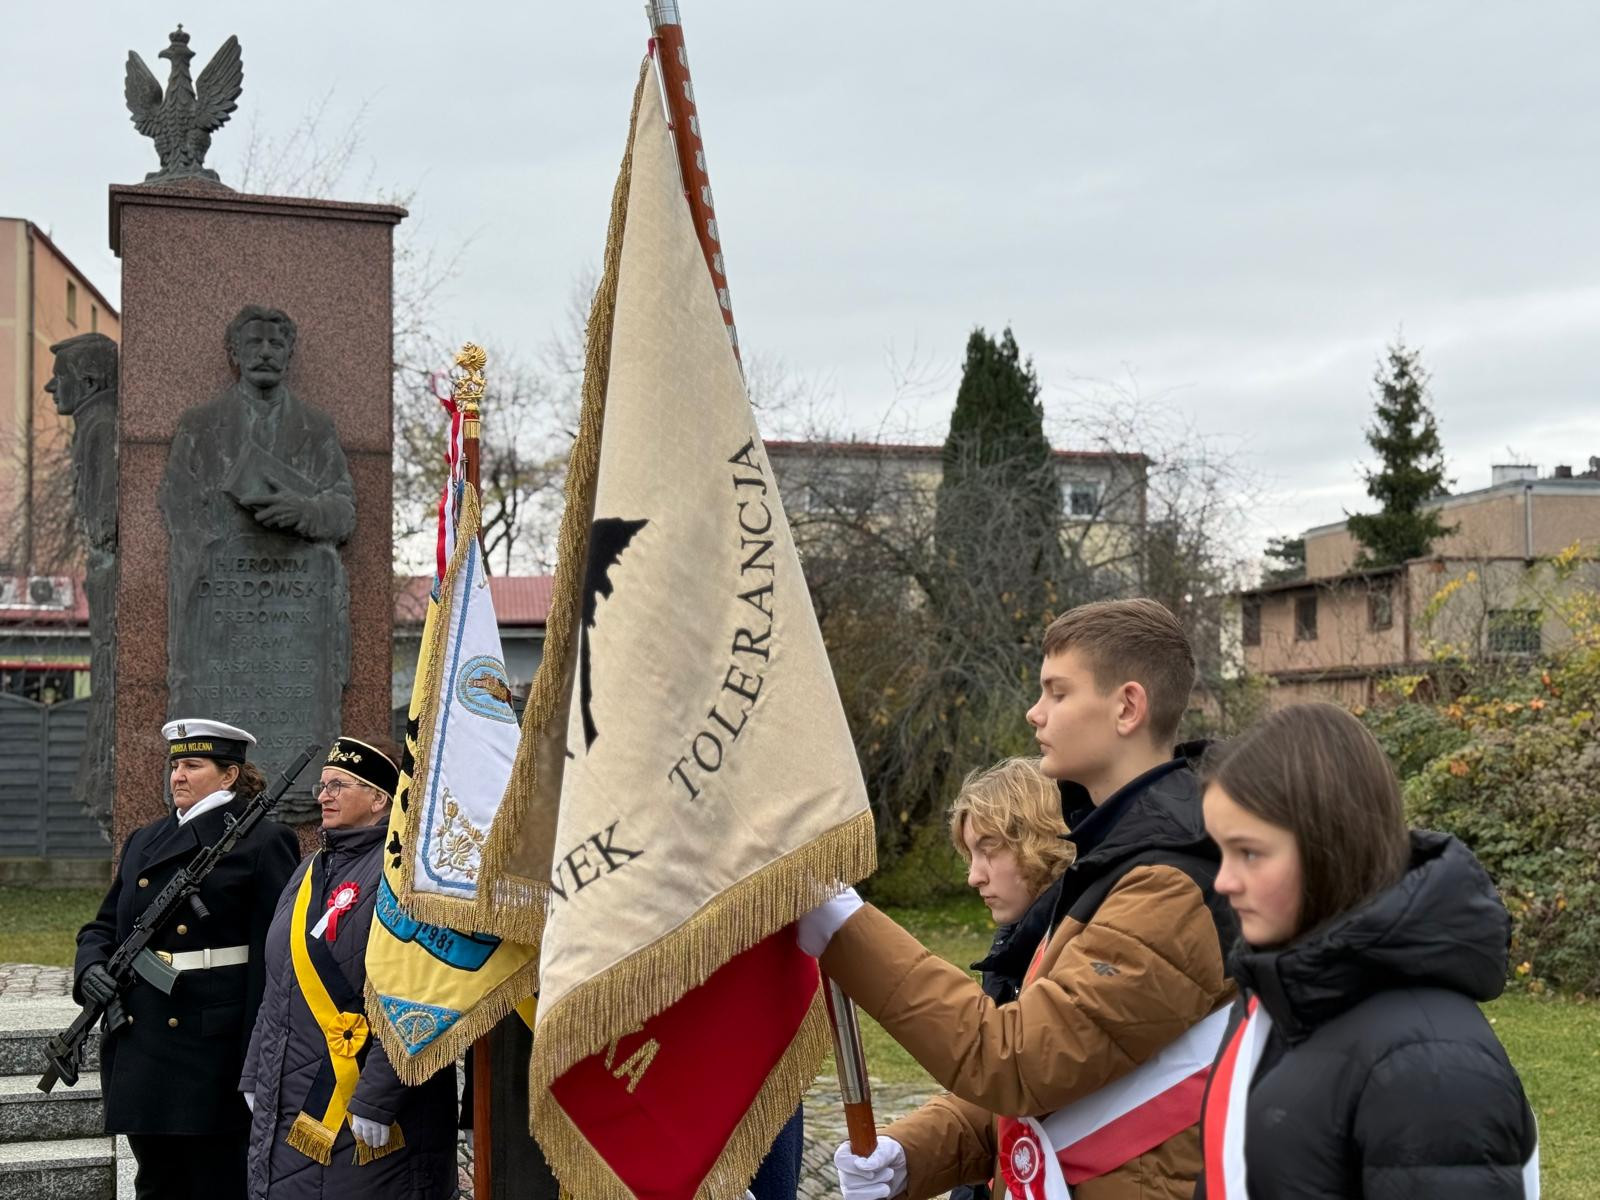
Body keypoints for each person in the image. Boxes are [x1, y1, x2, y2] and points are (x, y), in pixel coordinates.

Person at [803, 598, 1237, 1200]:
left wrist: (847, 931)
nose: (1036, 713)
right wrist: (912, 1156)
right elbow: (1059, 1093)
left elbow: (1021, 1062)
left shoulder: (1170, 880)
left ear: (1127, 707)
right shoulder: (1119, 856)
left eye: (1058, 693)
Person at [1196, 702, 1538, 1198]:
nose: (1224, 881)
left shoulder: (1428, 1062)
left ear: (1328, 845)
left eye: (1249, 853)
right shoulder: (1278, 996)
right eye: (1221, 852)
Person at [74, 718, 301, 1200]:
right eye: (175, 764)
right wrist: (90, 967)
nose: (177, 775)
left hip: (210, 1050)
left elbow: (275, 959)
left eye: (193, 765)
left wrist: (257, 1058)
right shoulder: (144, 839)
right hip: (143, 1043)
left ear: (229, 775)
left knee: (217, 1183)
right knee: (156, 1183)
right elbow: (103, 926)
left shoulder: (261, 840)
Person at [242, 736, 459, 1199]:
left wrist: (379, 1096)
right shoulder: (308, 872)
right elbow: (278, 983)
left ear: (380, 799)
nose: (324, 796)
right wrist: (255, 1075)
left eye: (339, 785)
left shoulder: (404, 876)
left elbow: (419, 989)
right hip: (290, 1101)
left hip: (371, 1115)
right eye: (323, 786)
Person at [946, 756, 1074, 1200]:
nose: (973, 876)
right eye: (970, 854)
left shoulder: (1074, 946)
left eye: (989, 849)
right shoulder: (1013, 949)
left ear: (1037, 839)